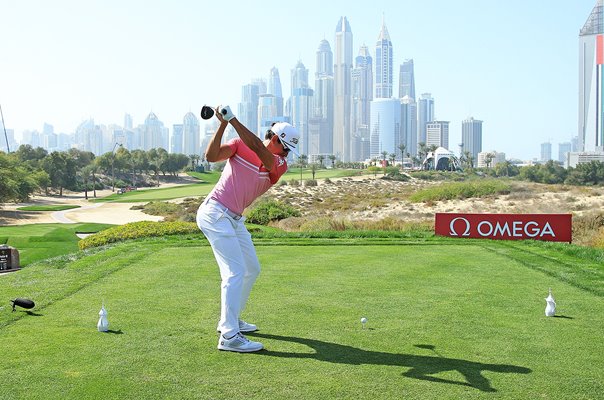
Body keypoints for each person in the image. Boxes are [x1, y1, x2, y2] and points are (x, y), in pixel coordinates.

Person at [196, 105, 300, 353]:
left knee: (251, 268)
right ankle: (229, 335)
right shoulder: (238, 145)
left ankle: (233, 320)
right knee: (234, 272)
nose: (288, 154)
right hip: (215, 213)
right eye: (286, 147)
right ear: (275, 139)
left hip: (234, 219)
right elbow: (210, 156)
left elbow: (261, 154)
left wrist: (233, 120)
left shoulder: (278, 163)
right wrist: (223, 123)